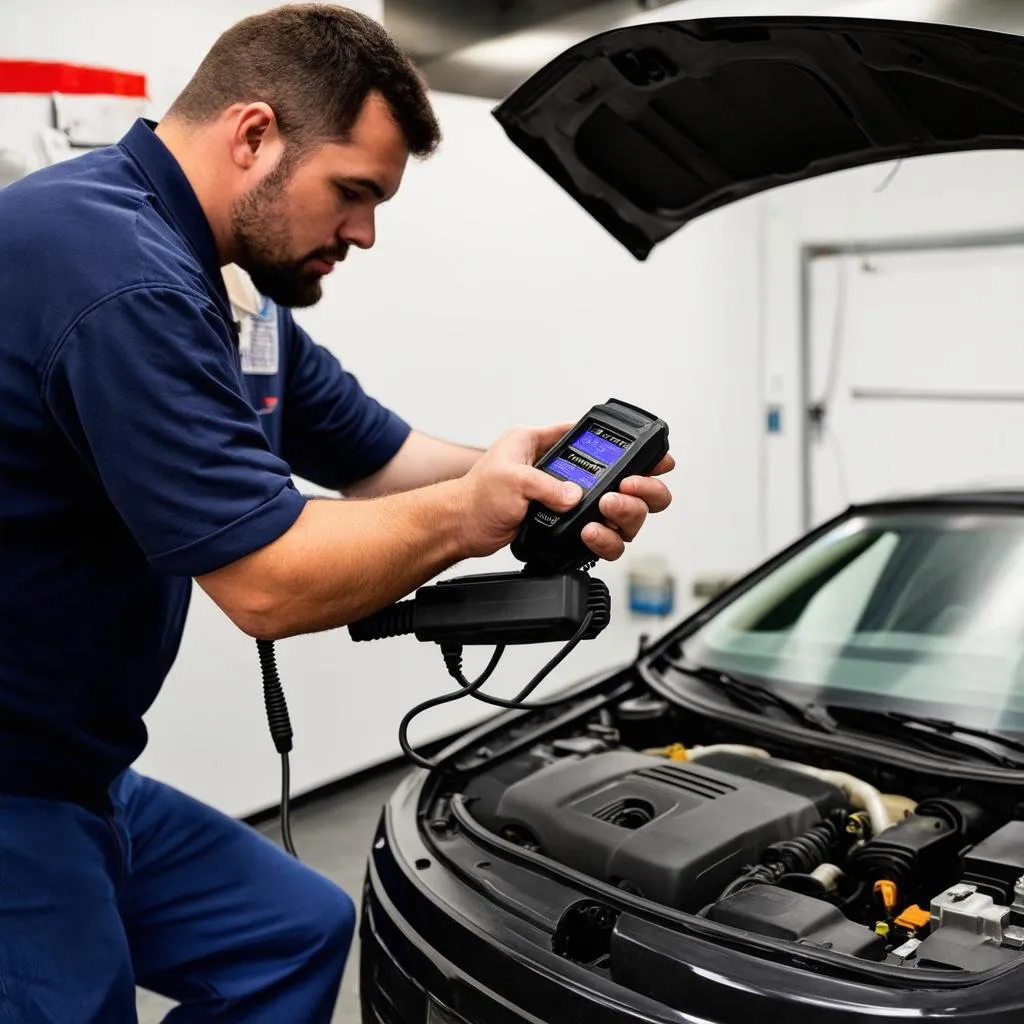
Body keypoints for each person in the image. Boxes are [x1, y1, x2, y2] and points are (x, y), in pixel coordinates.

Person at [0, 5, 674, 1022]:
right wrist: (468, 514)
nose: (362, 233)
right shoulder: (114, 270)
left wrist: (527, 475)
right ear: (254, 134)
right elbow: (268, 582)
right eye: (352, 194)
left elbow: (381, 457)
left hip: (80, 769)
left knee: (290, 930)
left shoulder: (228, 290)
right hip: (10, 782)